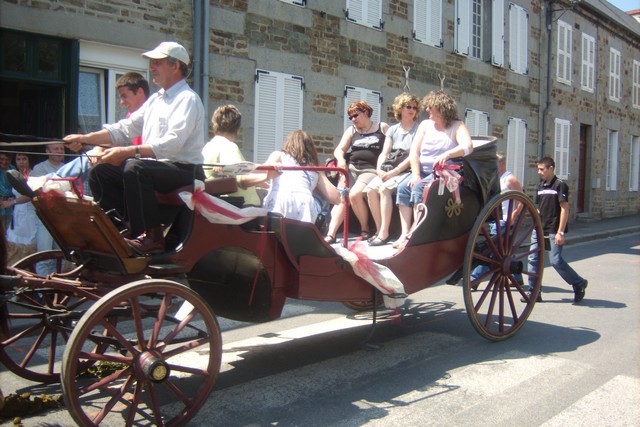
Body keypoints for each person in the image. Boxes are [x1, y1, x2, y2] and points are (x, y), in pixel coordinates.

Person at [64, 41, 206, 254]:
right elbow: (124, 129)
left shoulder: (188, 100)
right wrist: (87, 138)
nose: (152, 68)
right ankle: (119, 229)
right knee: (101, 172)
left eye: (157, 63)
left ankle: (152, 237)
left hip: (184, 172)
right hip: (155, 170)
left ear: (175, 66)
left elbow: (172, 144)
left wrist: (128, 151)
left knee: (134, 167)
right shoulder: (156, 100)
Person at [394, 90, 474, 249]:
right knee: (403, 188)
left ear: (441, 108)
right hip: (422, 171)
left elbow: (468, 147)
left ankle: (415, 237)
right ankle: (405, 233)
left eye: (430, 107)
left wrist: (448, 153)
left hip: (443, 173)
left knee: (418, 189)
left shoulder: (457, 126)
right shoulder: (425, 125)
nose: (427, 110)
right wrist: (416, 174)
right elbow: (414, 152)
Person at [54, 72, 150, 194]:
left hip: (144, 170)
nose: (121, 102)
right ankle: (55, 182)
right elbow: (115, 135)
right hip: (134, 166)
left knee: (94, 164)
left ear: (140, 92)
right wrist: (94, 147)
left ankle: (53, 182)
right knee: (92, 157)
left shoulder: (153, 113)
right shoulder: (131, 116)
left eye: (124, 96)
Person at [324, 101, 389, 244]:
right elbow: (339, 149)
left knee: (354, 194)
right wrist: (341, 160)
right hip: (352, 169)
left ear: (366, 112)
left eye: (355, 115)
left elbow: (392, 149)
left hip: (370, 170)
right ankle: (331, 234)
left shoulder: (382, 128)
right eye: (350, 117)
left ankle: (365, 228)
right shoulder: (352, 130)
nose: (353, 119)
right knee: (342, 197)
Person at [526, 156, 588, 303]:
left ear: (551, 168)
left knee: (555, 261)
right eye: (538, 169)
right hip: (539, 229)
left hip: (554, 229)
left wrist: (560, 231)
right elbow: (537, 207)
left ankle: (578, 283)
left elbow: (564, 208)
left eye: (542, 169)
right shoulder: (540, 186)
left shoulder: (560, 185)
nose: (539, 172)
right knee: (533, 259)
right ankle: (534, 292)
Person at [365, 92, 422, 246]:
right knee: (370, 190)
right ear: (400, 109)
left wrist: (394, 172)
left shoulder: (418, 130)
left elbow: (413, 156)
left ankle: (384, 233)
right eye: (408, 107)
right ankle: (379, 230)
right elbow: (385, 152)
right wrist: (379, 169)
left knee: (384, 189)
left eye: (414, 108)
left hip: (405, 170)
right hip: (389, 168)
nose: (411, 110)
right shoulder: (392, 130)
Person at [468, 151, 524, 287]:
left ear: (502, 164)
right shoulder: (494, 178)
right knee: (504, 250)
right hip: (494, 219)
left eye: (495, 164)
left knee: (493, 251)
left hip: (504, 220)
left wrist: (514, 215)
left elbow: (522, 200)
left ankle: (474, 278)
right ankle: (517, 278)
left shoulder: (509, 179)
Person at [259, 130, 340, 223]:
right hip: (304, 208)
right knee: (322, 201)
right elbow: (336, 198)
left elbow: (261, 170)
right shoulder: (314, 169)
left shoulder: (279, 155)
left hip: (278, 203)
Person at [202, 104, 262, 206]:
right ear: (238, 128)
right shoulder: (228, 147)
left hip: (220, 205)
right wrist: (267, 175)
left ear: (214, 125)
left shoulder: (206, 148)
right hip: (242, 208)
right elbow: (241, 177)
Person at [31, 143, 65, 275]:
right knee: (44, 254)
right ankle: (42, 291)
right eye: (56, 149)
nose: (60, 151)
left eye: (61, 149)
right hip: (45, 216)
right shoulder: (39, 168)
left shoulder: (66, 168)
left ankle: (54, 289)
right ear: (47, 151)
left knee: (59, 255)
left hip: (62, 216)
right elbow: (39, 190)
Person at [2, 153, 36, 265]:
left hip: (30, 214)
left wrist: (12, 202)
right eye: (18, 159)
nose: (21, 162)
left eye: (24, 159)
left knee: (29, 244)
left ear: (29, 160)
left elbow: (31, 194)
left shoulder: (34, 175)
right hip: (17, 213)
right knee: (13, 241)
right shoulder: (15, 176)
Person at [0, 153, 16, 231]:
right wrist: (14, 193)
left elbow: (17, 186)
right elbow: (3, 191)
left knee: (9, 230)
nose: (4, 162)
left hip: (11, 204)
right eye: (2, 159)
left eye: (7, 160)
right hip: (1, 203)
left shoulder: (13, 169)